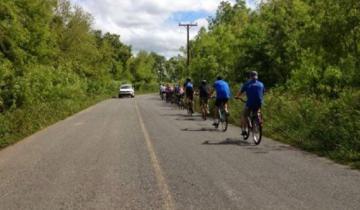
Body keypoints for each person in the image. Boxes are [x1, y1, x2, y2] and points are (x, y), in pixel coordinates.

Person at [235, 71, 265, 136]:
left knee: (244, 115)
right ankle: (259, 121)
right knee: (257, 111)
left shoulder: (247, 84)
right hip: (259, 103)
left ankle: (244, 130)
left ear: (250, 76)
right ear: (257, 76)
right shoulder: (261, 84)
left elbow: (239, 93)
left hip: (250, 103)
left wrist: (237, 97)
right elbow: (262, 93)